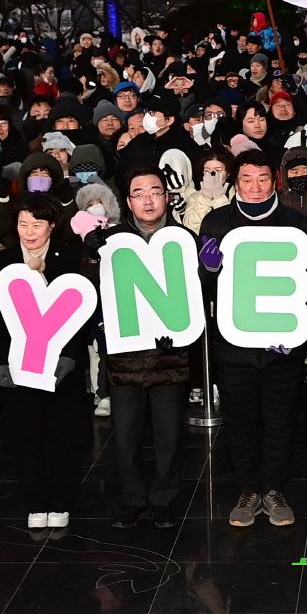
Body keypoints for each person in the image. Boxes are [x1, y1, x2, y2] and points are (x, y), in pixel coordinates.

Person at [197, 151, 305, 528]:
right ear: (234, 182)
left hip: (282, 348)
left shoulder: (294, 222)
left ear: (275, 180)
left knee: (279, 420)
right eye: (247, 179)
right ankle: (247, 489)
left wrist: (296, 335)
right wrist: (207, 270)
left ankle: (274, 489)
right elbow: (202, 287)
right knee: (239, 420)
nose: (255, 187)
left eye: (262, 178)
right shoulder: (216, 221)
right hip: (233, 347)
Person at [90, 168, 192, 527]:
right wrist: (89, 254)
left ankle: (165, 499)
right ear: (129, 201)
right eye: (139, 193)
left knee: (169, 434)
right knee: (125, 435)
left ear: (167, 197)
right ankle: (133, 498)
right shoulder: (112, 242)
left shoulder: (184, 239)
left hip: (170, 355)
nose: (148, 200)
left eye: (155, 191)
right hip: (125, 356)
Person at [0, 192, 91, 529]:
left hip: (62, 369)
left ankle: (61, 501)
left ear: (52, 224)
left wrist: (71, 357)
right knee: (26, 436)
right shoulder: (0, 263)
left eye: (37, 224)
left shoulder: (72, 257)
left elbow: (85, 312)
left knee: (63, 436)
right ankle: (35, 502)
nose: (29, 231)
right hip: (19, 369)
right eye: (23, 223)